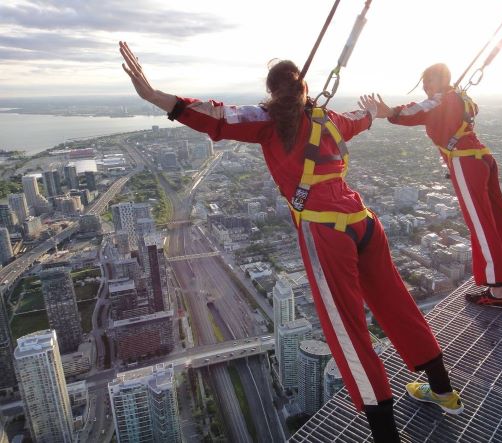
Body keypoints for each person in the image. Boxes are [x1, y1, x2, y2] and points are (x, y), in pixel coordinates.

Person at [119, 42, 463, 442]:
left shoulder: (266, 121)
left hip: (325, 232)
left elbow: (215, 116)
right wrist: (373, 110)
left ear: (271, 92)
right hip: (363, 222)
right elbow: (361, 117)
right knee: (399, 307)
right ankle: (443, 391)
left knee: (350, 336)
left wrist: (155, 96)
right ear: (305, 88)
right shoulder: (330, 119)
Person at [359, 63, 502, 308]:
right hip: (483, 157)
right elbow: (466, 109)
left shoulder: (441, 100)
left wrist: (390, 112)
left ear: (439, 81)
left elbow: (416, 110)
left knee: (481, 224)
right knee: (499, 217)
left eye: (428, 83)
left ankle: (498, 291)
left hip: (465, 161)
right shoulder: (461, 97)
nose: (426, 89)